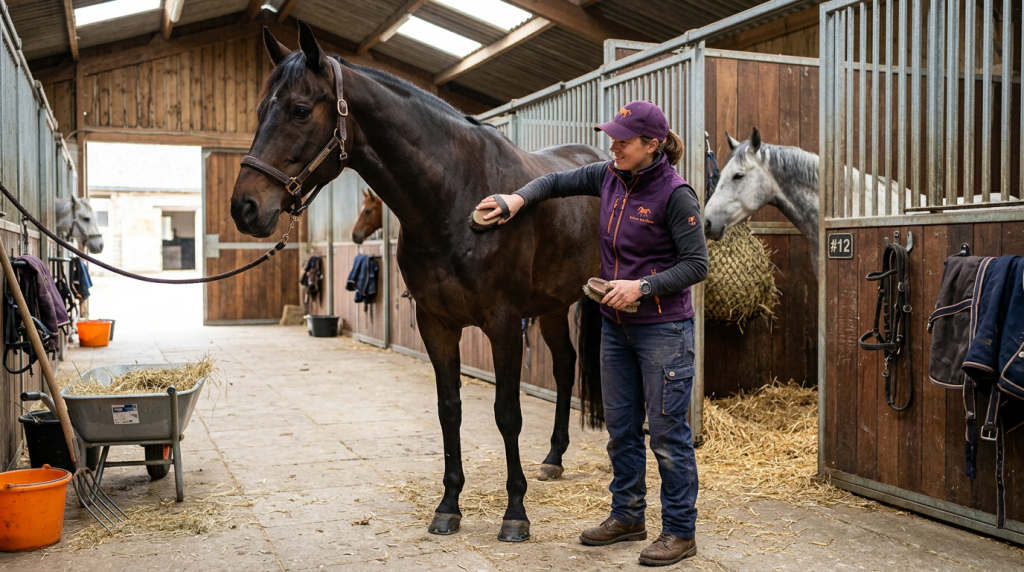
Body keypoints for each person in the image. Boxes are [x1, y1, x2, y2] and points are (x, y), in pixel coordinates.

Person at [475, 100, 708, 566]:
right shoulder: (607, 175)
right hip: (616, 326)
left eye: (624, 139)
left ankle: (681, 531)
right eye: (612, 137)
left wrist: (642, 285)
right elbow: (554, 182)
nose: (613, 145)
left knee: (666, 435)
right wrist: (515, 199)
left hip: (663, 330)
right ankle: (627, 515)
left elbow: (697, 264)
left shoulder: (676, 194)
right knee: (621, 430)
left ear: (652, 145)